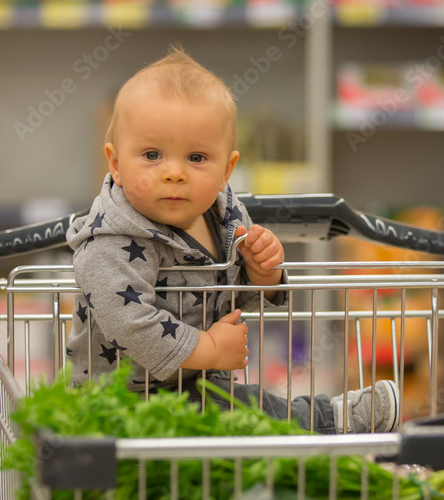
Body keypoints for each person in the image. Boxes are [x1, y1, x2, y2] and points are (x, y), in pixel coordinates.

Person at [65, 47, 400, 434]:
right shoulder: (110, 240)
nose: (174, 173)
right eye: (152, 155)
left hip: (193, 386)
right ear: (116, 164)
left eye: (196, 158)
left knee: (239, 407)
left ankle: (321, 421)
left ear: (227, 169)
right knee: (245, 412)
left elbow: (229, 299)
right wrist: (209, 349)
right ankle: (329, 421)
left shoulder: (225, 217)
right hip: (121, 410)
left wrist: (262, 275)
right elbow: (131, 324)